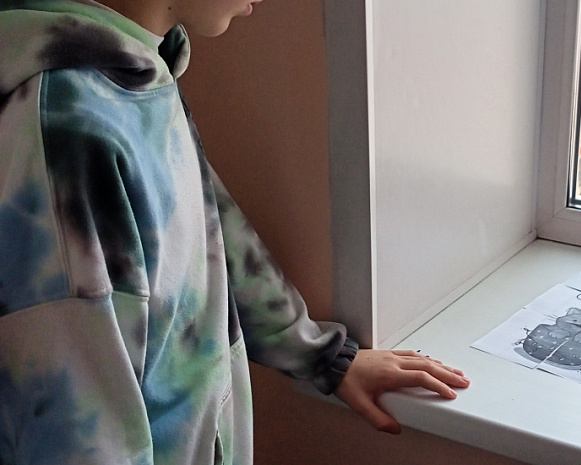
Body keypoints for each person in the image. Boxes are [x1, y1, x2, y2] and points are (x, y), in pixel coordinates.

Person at [0, 0, 470, 463]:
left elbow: (204, 225)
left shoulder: (132, 67)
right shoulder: (64, 132)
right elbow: (73, 435)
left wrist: (319, 354)